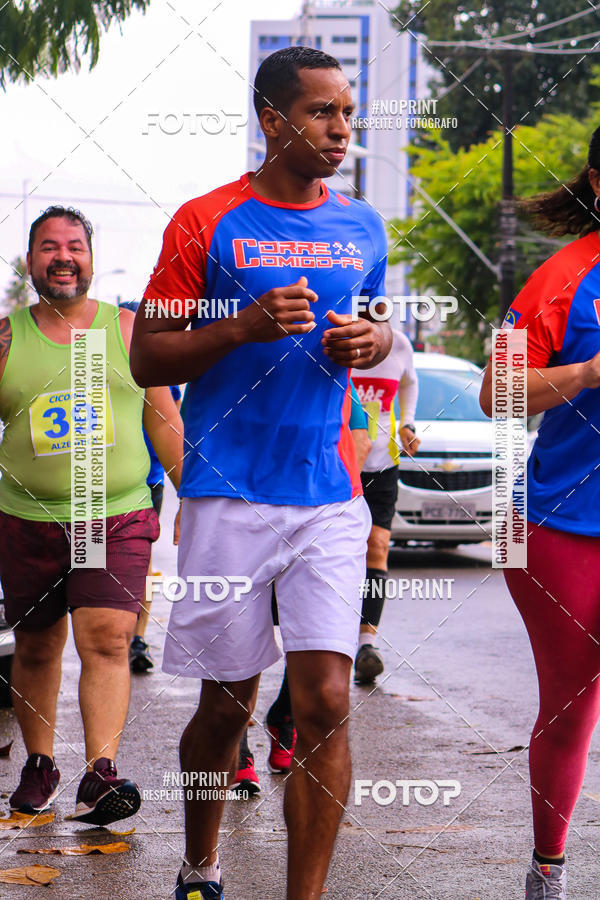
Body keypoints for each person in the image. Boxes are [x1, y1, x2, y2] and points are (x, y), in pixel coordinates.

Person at [131, 46, 392, 900]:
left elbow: (380, 329)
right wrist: (239, 328)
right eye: (322, 112)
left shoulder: (363, 225)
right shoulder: (205, 220)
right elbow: (147, 357)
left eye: (348, 113)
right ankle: (199, 867)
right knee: (227, 705)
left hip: (329, 495)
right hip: (229, 495)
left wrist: (376, 340)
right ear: (272, 120)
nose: (341, 129)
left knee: (323, 700)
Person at [0, 206, 183, 825]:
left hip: (111, 515)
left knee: (107, 639)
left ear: (91, 258)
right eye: (49, 247)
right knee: (36, 644)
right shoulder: (6, 339)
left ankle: (101, 775)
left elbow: (164, 419)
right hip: (27, 518)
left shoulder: (128, 332)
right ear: (31, 263)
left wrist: (197, 502)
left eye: (74, 245)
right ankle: (41, 763)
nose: (63, 256)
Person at [480, 125, 600, 900]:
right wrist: (588, 373)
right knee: (570, 710)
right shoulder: (565, 277)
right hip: (564, 529)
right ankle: (547, 871)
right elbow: (498, 393)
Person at [232, 382, 372, 795]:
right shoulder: (231, 343)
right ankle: (238, 747)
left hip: (316, 509)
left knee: (313, 638)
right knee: (241, 641)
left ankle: (285, 715)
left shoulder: (327, 354)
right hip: (239, 509)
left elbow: (359, 439)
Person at [351, 327, 420, 683]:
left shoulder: (399, 345)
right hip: (336, 464)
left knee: (376, 548)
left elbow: (410, 382)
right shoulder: (338, 341)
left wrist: (407, 424)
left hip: (382, 464)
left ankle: (366, 644)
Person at [119, 298, 182, 673]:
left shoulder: (162, 372)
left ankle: (136, 639)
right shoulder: (98, 363)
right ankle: (110, 633)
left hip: (149, 483)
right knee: (94, 563)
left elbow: (171, 424)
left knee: (140, 565)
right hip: (102, 483)